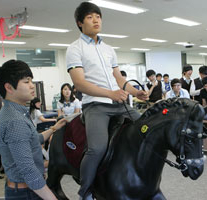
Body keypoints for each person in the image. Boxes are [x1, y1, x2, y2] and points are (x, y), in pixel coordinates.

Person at [66, 2, 148, 199]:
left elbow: (119, 79)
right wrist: (110, 94)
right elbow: (79, 83)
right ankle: (85, 191)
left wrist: (135, 92)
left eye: (98, 16)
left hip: (118, 104)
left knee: (147, 129)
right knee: (97, 148)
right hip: (95, 105)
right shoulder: (74, 49)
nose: (96, 20)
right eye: (90, 17)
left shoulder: (109, 48)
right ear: (80, 23)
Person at [0, 59, 66, 200]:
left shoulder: (13, 112)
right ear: (9, 87)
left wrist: (53, 128)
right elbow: (29, 171)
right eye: (26, 82)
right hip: (27, 193)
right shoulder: (15, 121)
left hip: (24, 189)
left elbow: (34, 139)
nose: (32, 86)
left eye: (31, 81)